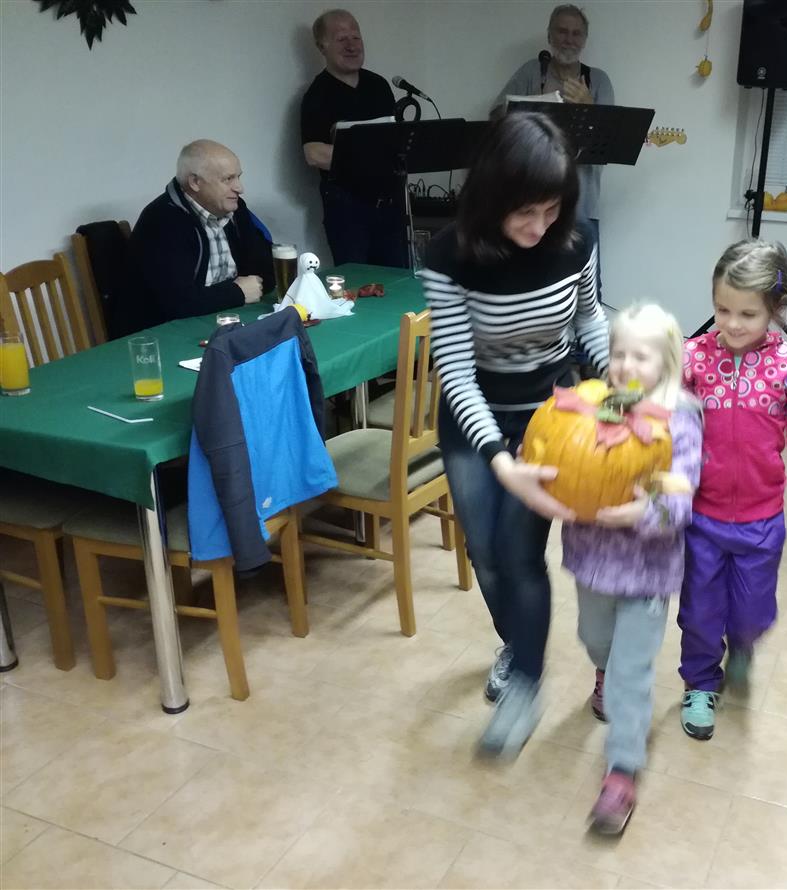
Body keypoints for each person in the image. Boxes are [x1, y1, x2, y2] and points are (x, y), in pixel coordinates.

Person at [423, 112, 610, 757]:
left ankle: (526, 682)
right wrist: (499, 459)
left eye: (550, 210)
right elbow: (454, 367)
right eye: (524, 212)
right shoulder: (448, 255)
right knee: (484, 551)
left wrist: (618, 385)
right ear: (492, 196)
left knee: (519, 550)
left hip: (548, 420)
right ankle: (517, 643)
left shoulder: (575, 242)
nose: (538, 228)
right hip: (474, 417)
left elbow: (589, 321)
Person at [561, 303, 702, 834]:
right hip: (593, 562)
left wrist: (644, 512)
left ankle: (622, 769)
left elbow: (682, 493)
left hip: (647, 572)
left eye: (640, 356)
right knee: (594, 637)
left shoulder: (679, 418)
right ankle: (602, 671)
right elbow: (565, 461)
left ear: (666, 361)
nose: (625, 365)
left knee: (632, 672)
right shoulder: (591, 407)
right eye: (618, 353)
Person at [678, 239, 787, 741]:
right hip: (701, 517)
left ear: (775, 308)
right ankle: (700, 683)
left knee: (752, 614)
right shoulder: (693, 358)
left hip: (761, 522)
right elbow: (666, 423)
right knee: (699, 612)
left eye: (748, 313)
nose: (733, 324)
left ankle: (741, 645)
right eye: (722, 310)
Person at [300, 8, 407, 267]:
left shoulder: (378, 85)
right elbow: (313, 153)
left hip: (390, 205)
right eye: (341, 39)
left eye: (356, 37)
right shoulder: (317, 94)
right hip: (348, 209)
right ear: (322, 47)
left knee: (399, 279)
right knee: (357, 281)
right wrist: (369, 157)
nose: (351, 46)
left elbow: (394, 137)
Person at [493, 4, 614, 228]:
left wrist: (589, 108)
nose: (569, 39)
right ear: (550, 36)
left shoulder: (599, 80)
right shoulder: (531, 71)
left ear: (584, 40)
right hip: (530, 203)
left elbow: (610, 140)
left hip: (581, 206)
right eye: (562, 31)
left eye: (576, 33)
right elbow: (496, 115)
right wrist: (532, 109)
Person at [132, 139, 274, 325]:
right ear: (195, 182)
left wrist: (242, 290)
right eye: (228, 179)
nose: (240, 188)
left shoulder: (235, 209)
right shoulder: (162, 220)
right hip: (165, 331)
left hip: (224, 317)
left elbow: (267, 272)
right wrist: (237, 292)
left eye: (238, 177)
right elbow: (175, 304)